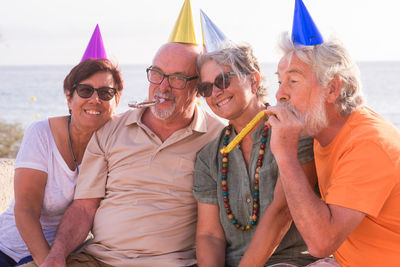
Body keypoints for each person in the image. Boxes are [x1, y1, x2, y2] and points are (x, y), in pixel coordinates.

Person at [30, 42, 225, 267]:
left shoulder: (216, 137)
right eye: (157, 74)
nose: (163, 87)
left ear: (199, 86)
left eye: (177, 78)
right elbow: (84, 207)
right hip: (97, 259)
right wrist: (57, 254)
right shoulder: (111, 129)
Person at [266, 32, 400, 267]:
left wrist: (285, 155)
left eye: (293, 81)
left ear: (332, 89)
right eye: (279, 82)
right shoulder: (322, 131)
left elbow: (320, 243)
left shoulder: (369, 143)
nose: (280, 94)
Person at [193, 42, 320, 267]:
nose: (215, 92)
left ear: (253, 80)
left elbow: (282, 213)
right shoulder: (209, 157)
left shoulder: (294, 133)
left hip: (288, 262)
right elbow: (209, 235)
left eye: (222, 80)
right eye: (205, 88)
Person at [0, 58, 123, 267]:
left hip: (68, 255)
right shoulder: (41, 133)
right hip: (10, 250)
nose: (95, 99)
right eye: (85, 91)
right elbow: (26, 207)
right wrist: (47, 262)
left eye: (105, 93)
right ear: (69, 97)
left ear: (116, 101)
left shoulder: (115, 142)